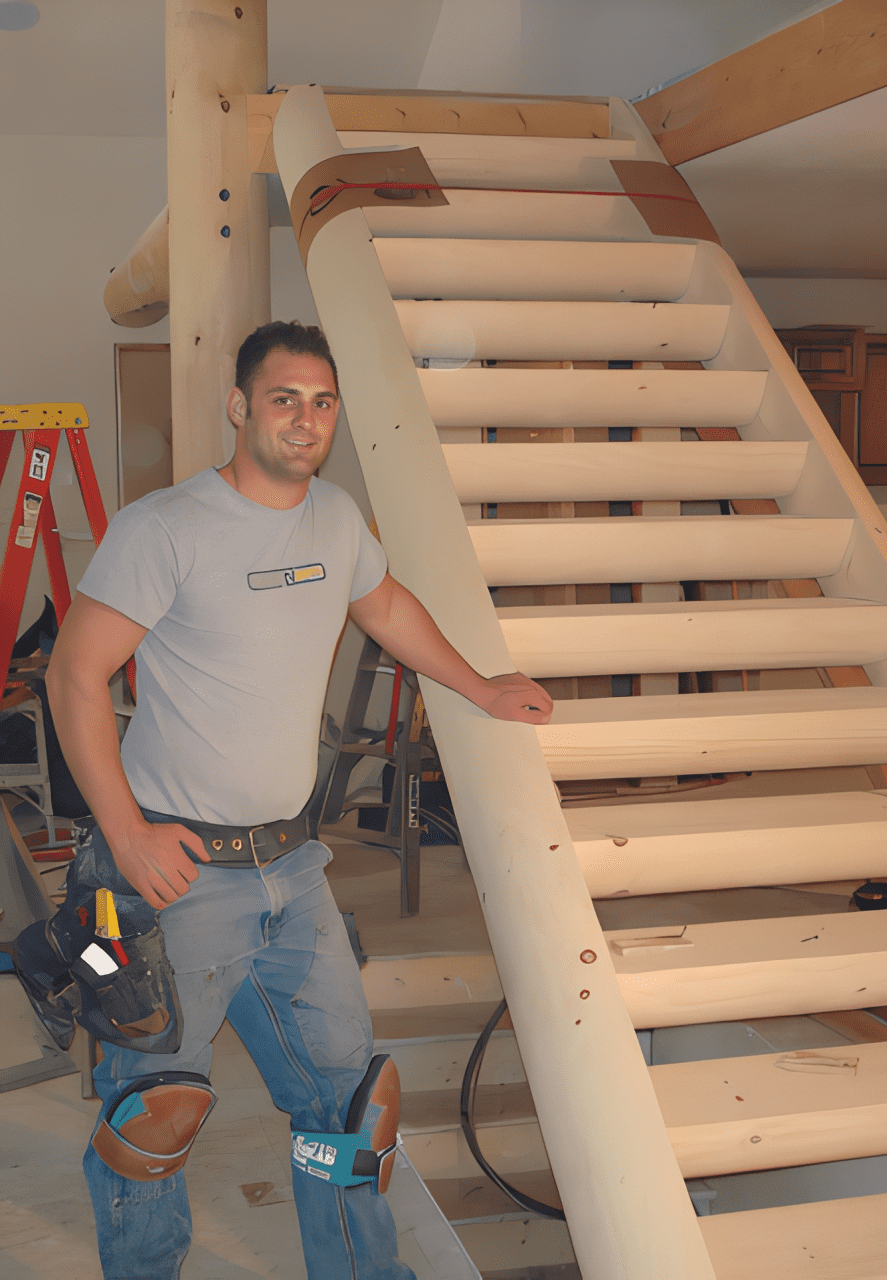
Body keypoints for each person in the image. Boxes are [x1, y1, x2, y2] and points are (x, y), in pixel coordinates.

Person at [45, 321, 553, 1280]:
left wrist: (480, 688)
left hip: (294, 867)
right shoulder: (166, 527)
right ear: (241, 406)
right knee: (152, 1119)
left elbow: (384, 604)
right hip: (177, 874)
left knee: (350, 1110)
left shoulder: (335, 517)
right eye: (285, 399)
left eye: (322, 403)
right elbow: (74, 676)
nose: (306, 420)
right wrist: (127, 834)